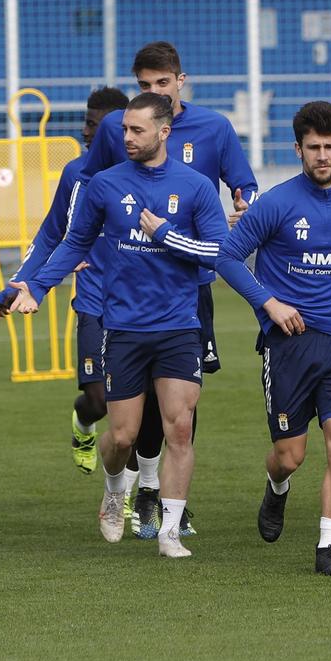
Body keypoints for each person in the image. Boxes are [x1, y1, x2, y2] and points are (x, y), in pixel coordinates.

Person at [3, 92, 227, 559]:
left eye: (137, 130)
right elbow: (72, 243)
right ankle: (112, 490)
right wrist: (37, 288)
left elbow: (221, 252)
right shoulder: (104, 184)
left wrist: (168, 236)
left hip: (178, 327)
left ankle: (168, 530)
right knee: (123, 436)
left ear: (164, 132)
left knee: (179, 430)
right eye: (124, 129)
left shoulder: (196, 187)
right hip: (123, 327)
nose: (126, 137)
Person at [80, 41, 257, 539]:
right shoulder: (123, 132)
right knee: (129, 424)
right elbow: (90, 185)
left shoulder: (215, 128)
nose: (154, 91)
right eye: (144, 85)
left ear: (181, 81)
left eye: (162, 82)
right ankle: (139, 490)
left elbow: (245, 185)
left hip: (189, 289)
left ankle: (165, 504)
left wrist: (247, 205)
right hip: (130, 293)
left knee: (180, 411)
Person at [216, 101, 331, 575]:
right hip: (288, 345)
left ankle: (327, 548)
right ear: (298, 149)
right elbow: (227, 258)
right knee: (292, 456)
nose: (322, 156)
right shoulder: (277, 203)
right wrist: (269, 304)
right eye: (313, 148)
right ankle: (277, 487)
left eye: (330, 147)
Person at [2, 86, 128, 474]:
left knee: (135, 408)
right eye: (86, 123)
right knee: (98, 398)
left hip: (139, 304)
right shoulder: (76, 174)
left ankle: (137, 492)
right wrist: (19, 284)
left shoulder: (147, 175)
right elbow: (52, 234)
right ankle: (83, 424)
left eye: (94, 125)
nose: (86, 132)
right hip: (92, 299)